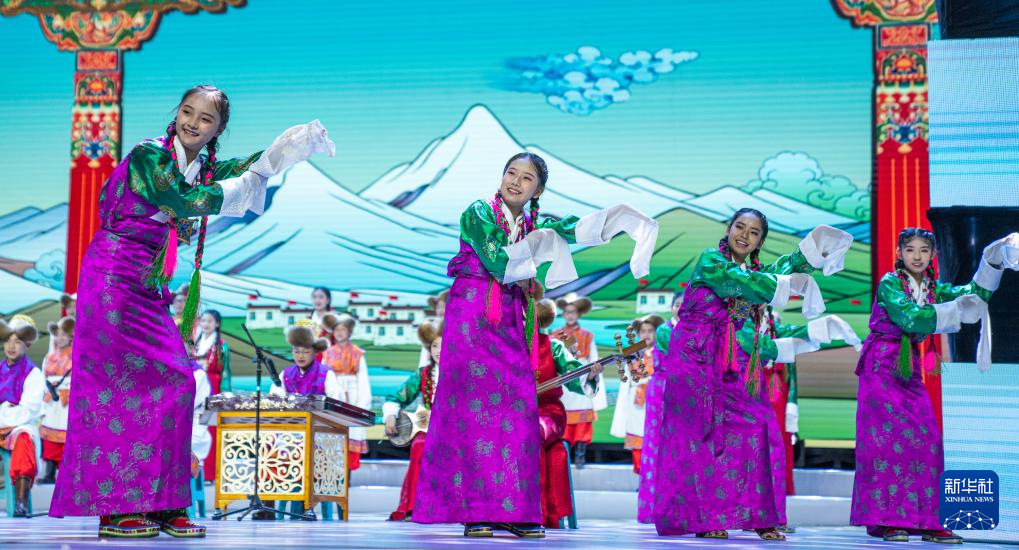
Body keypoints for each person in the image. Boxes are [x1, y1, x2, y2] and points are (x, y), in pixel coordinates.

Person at [49, 83, 335, 538]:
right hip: (113, 277)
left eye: (205, 118)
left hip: (148, 282)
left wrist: (285, 152)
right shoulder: (150, 155)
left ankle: (163, 500)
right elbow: (182, 200)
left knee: (179, 381)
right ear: (177, 113)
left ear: (218, 128)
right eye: (188, 112)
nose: (193, 123)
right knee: (117, 388)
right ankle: (117, 506)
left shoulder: (201, 166)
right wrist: (239, 186)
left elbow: (246, 168)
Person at [413, 152, 658, 538]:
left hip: (511, 316)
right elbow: (497, 261)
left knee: (515, 412)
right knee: (475, 412)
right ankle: (476, 511)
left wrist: (620, 221)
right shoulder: (478, 212)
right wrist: (539, 245)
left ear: (537, 190)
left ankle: (515, 509)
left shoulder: (532, 223)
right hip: (474, 316)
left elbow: (569, 229)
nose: (516, 181)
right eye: (511, 173)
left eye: (526, 178)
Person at [651, 208, 852, 540]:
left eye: (754, 232)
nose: (744, 235)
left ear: (760, 241)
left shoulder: (753, 269)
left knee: (755, 424)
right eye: (740, 227)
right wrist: (790, 280)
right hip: (693, 356)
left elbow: (777, 272)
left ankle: (758, 516)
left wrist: (810, 252)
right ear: (728, 229)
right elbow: (745, 283)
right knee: (700, 434)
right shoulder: (712, 260)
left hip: (728, 358)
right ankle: (705, 519)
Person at [851, 228, 1017, 544]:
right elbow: (910, 318)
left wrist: (992, 263)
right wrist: (957, 308)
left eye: (924, 250)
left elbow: (972, 296)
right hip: (881, 367)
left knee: (927, 440)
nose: (917, 256)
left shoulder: (932, 289)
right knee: (884, 443)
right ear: (899, 253)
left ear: (933, 255)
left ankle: (929, 520)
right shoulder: (890, 283)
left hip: (908, 368)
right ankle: (888, 520)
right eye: (910, 249)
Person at [534, 298, 601, 528]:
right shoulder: (510, 347)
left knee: (530, 434)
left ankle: (535, 513)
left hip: (547, 412)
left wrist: (590, 375)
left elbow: (576, 378)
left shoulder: (554, 347)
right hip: (516, 412)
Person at [383, 320, 442, 521]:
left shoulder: (461, 372)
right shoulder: (423, 374)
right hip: (429, 429)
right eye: (434, 346)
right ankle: (414, 507)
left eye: (443, 345)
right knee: (419, 445)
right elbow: (395, 397)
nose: (438, 351)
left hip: (456, 429)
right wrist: (390, 415)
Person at [552, 292, 604, 467]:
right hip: (564, 377)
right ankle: (565, 454)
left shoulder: (587, 335)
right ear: (563, 314)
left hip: (583, 375)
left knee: (582, 418)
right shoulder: (556, 335)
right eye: (567, 312)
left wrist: (594, 373)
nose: (570, 315)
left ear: (578, 314)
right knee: (564, 416)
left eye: (573, 312)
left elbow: (594, 358)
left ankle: (580, 453)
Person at [0, 315, 45, 517]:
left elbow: (27, 411)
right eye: (8, 340)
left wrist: (3, 414)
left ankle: (20, 502)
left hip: (18, 426)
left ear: (26, 344)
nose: (11, 346)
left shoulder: (33, 374)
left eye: (17, 341)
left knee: (24, 441)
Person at [612, 314, 664, 478]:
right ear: (638, 334)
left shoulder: (662, 353)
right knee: (638, 439)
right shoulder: (632, 354)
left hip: (656, 401)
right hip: (636, 402)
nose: (646, 334)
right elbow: (626, 383)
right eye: (643, 331)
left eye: (650, 331)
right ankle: (642, 479)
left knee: (656, 441)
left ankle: (655, 479)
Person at [319, 314, 371, 471]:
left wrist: (361, 405)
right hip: (334, 393)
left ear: (349, 332)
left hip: (353, 394)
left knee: (352, 431)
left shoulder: (357, 353)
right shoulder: (327, 354)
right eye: (337, 330)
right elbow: (323, 377)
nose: (340, 333)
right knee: (333, 435)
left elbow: (363, 379)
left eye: (343, 329)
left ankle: (347, 475)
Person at [39, 316, 74, 484]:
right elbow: (43, 377)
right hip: (52, 400)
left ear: (71, 336)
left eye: (64, 334)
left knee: (67, 434)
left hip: (68, 399)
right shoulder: (49, 356)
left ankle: (66, 473)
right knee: (50, 433)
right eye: (57, 334)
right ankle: (49, 472)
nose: (60, 338)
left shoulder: (77, 355)